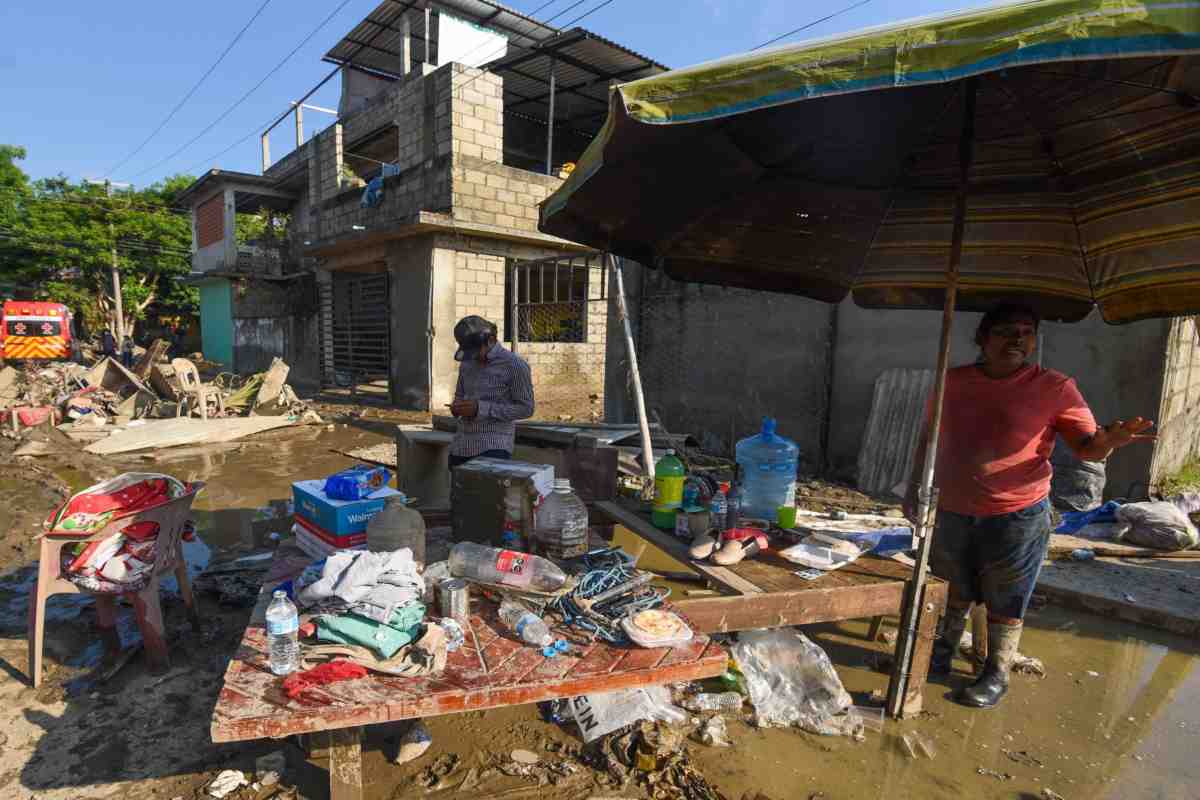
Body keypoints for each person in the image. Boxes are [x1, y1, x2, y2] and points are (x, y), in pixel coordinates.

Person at [906, 303, 1154, 710]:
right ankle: (938, 655)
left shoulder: (1054, 387)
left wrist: (1111, 441)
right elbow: (928, 437)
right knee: (951, 588)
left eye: (1027, 332)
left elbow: (1087, 448)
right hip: (951, 509)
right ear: (983, 339)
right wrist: (915, 486)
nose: (1018, 340)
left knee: (1007, 596)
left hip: (1016, 514)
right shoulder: (953, 381)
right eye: (1006, 331)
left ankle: (996, 672)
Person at [448, 315, 535, 469]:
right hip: (461, 445)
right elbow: (460, 395)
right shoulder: (467, 363)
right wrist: (457, 407)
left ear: (491, 340)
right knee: (458, 492)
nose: (474, 357)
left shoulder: (515, 365)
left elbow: (526, 408)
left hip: (493, 446)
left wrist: (480, 409)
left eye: (476, 350)